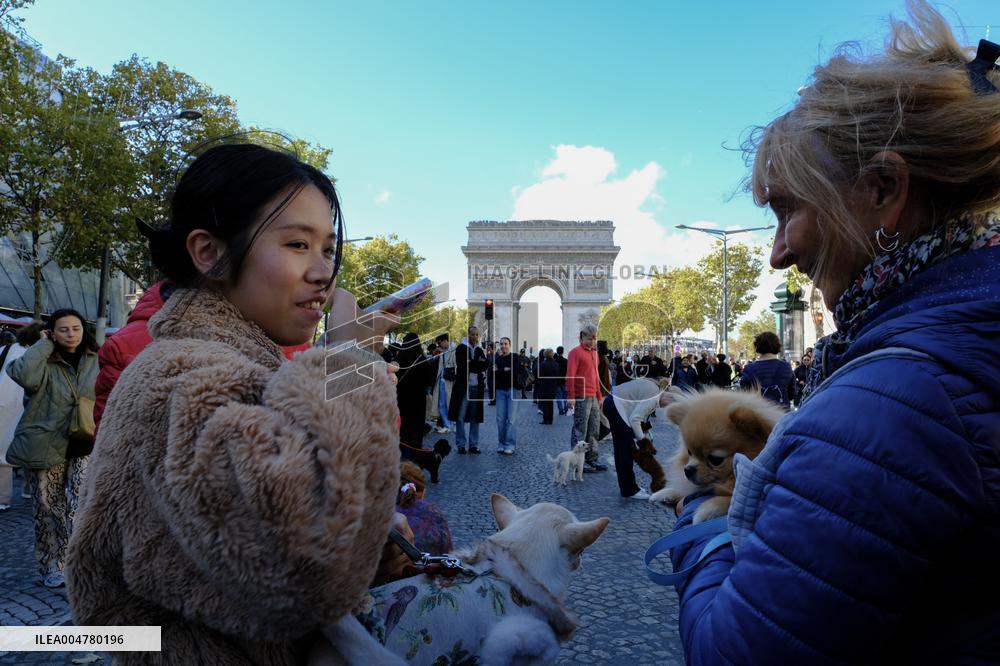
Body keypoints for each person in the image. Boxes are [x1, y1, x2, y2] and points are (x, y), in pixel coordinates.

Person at [669, 4, 1000, 662]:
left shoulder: (895, 401)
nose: (777, 253)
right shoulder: (961, 339)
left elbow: (732, 654)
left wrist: (697, 518)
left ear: (883, 190)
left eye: (787, 208)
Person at [66, 143, 403, 663]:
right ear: (209, 252)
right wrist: (350, 360)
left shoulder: (220, 363)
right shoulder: (183, 378)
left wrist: (374, 536)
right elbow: (310, 575)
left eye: (328, 249)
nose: (323, 273)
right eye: (298, 244)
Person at [6, 309, 98, 588]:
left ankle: (80, 563)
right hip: (46, 441)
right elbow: (23, 376)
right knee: (48, 507)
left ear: (84, 330)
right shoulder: (42, 357)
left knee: (81, 505)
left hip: (85, 441)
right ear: (52, 333)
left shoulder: (96, 358)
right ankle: (52, 566)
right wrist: (43, 345)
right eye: (63, 329)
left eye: (76, 328)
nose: (71, 334)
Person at [603, 377, 672, 499]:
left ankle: (627, 487)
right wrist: (643, 442)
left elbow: (639, 416)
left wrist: (644, 433)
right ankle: (629, 490)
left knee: (621, 450)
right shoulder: (654, 396)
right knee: (625, 450)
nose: (665, 407)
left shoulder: (655, 390)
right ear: (668, 397)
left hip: (612, 403)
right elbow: (635, 419)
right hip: (616, 406)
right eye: (669, 405)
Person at [566, 324, 606, 471]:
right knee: (580, 429)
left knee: (594, 429)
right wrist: (571, 396)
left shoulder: (595, 354)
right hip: (580, 395)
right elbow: (570, 375)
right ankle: (576, 462)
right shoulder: (574, 353)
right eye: (589, 338)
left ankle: (592, 458)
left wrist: (599, 396)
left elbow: (596, 377)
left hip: (593, 395)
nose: (592, 341)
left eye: (594, 339)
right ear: (581, 338)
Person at [397, 460, 453, 556]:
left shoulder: (382, 518)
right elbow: (448, 554)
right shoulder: (436, 516)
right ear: (423, 491)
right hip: (431, 564)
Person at [448, 325, 488, 454]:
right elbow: (463, 366)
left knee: (475, 418)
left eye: (477, 335)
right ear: (468, 334)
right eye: (473, 334)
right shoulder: (461, 348)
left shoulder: (479, 349)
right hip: (463, 388)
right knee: (460, 417)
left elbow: (485, 365)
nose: (475, 337)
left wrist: (473, 362)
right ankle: (461, 444)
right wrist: (477, 362)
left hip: (477, 387)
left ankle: (473, 445)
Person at [0, 329, 25, 510]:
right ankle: (28, 488)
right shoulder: (25, 353)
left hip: (7, 406)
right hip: (22, 406)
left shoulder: (6, 353)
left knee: (2, 453)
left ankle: (3, 498)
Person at [395, 331, 434, 451]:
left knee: (403, 425)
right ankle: (415, 451)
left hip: (402, 398)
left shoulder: (399, 359)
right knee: (416, 427)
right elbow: (429, 381)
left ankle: (402, 450)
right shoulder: (422, 360)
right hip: (418, 400)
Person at [738, 331, 796, 409]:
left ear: (757, 346)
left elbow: (744, 393)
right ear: (777, 345)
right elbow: (792, 394)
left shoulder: (749, 368)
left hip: (758, 412)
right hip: (782, 411)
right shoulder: (786, 367)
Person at [492, 336, 518, 454]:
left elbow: (514, 372)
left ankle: (510, 444)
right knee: (500, 419)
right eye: (501, 344)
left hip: (513, 390)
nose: (503, 346)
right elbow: (493, 374)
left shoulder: (515, 357)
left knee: (511, 419)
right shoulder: (497, 359)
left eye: (505, 344)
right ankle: (501, 443)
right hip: (500, 390)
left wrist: (500, 371)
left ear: (510, 345)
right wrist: (505, 370)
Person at [430, 332, 455, 433]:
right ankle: (446, 424)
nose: (438, 346)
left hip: (449, 381)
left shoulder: (454, 350)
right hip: (441, 380)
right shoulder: (442, 351)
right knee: (441, 404)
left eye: (439, 343)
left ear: (445, 341)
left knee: (449, 404)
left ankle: (450, 425)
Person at [536, 348, 559, 425]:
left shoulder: (543, 364)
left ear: (545, 354)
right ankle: (551, 420)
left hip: (544, 386)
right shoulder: (556, 364)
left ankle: (546, 419)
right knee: (550, 403)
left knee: (545, 403)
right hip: (553, 386)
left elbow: (540, 376)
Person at [554, 345, 569, 414]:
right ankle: (566, 409)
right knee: (565, 395)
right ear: (563, 352)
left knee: (558, 396)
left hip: (557, 381)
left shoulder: (554, 361)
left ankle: (560, 410)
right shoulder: (566, 361)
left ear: (557, 352)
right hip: (564, 380)